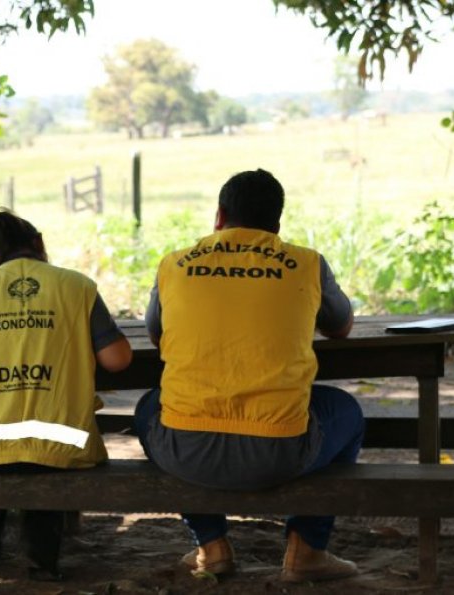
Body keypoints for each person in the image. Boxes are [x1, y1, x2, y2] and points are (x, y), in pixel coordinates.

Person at [134, 169, 364, 583]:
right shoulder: (307, 263)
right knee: (345, 409)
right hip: (279, 453)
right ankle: (307, 549)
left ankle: (211, 546)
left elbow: (156, 333)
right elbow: (340, 326)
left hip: (186, 450)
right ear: (276, 225)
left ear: (219, 216)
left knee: (150, 406)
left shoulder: (174, 264)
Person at [0, 208, 133, 579]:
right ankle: (42, 560)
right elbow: (117, 359)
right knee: (44, 449)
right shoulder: (77, 287)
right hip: (61, 443)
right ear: (39, 243)